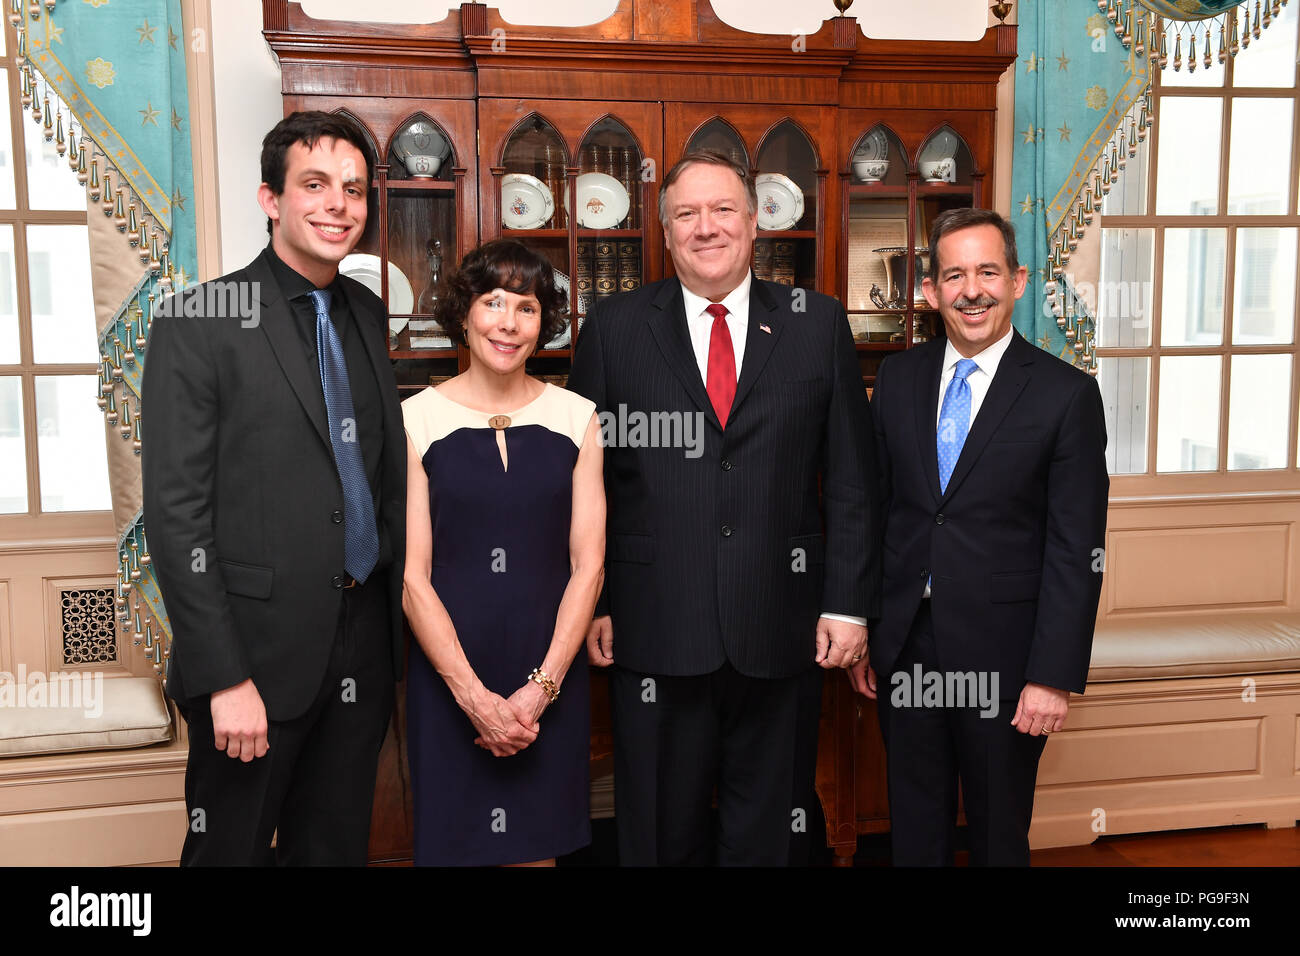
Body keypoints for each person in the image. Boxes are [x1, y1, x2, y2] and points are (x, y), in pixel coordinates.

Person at [568, 150, 878, 866]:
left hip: (783, 623)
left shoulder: (816, 323)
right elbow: (587, 482)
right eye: (686, 214)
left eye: (721, 210)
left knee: (768, 831)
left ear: (754, 219)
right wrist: (599, 600)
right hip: (652, 623)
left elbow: (854, 480)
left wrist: (848, 606)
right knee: (655, 829)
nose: (705, 228)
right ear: (667, 230)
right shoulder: (615, 327)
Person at [141, 111, 406, 865]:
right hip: (252, 657)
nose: (337, 205)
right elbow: (176, 516)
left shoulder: (364, 310)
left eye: (353, 190)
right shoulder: (199, 318)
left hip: (360, 646)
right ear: (270, 199)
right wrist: (225, 679)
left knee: (334, 853)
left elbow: (379, 479)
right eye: (315, 185)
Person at [854, 207, 1109, 866]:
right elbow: (878, 514)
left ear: (1018, 281)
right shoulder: (899, 381)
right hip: (906, 645)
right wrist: (866, 630)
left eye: (989, 272)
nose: (973, 290)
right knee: (914, 830)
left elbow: (1075, 551)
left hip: (1008, 660)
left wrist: (1052, 678)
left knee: (998, 835)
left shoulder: (1065, 396)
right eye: (955, 275)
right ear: (932, 290)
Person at [401, 239, 604, 866]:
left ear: (544, 323)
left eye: (527, 307)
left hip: (548, 677)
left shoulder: (579, 417)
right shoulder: (415, 418)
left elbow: (588, 565)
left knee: (536, 853)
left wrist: (537, 693)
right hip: (449, 679)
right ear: (464, 314)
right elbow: (413, 578)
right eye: (493, 303)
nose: (508, 323)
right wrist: (474, 699)